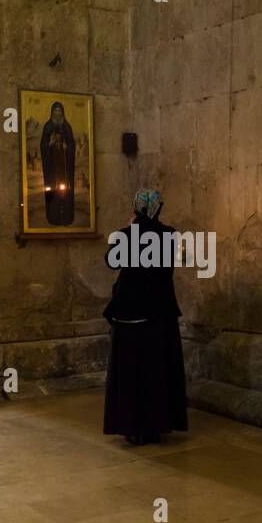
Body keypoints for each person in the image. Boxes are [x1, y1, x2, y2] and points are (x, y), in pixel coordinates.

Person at [102, 188, 188, 445]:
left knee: (130, 372)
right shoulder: (169, 235)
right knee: (156, 370)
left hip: (129, 313)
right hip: (158, 313)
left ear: (137, 208)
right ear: (157, 208)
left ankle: (131, 426)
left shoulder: (126, 235)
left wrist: (130, 230)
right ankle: (155, 425)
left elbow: (111, 261)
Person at [39, 101, 76, 225]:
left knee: (66, 190)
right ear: (52, 112)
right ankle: (53, 217)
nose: (57, 113)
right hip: (52, 168)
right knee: (52, 190)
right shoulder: (48, 126)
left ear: (62, 112)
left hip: (64, 167)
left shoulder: (67, 127)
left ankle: (67, 218)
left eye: (59, 110)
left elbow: (72, 145)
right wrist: (49, 144)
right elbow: (42, 146)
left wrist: (67, 147)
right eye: (55, 110)